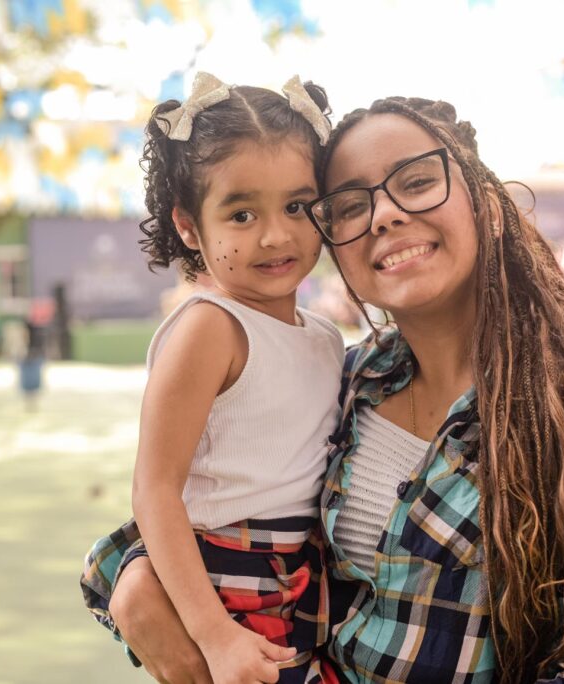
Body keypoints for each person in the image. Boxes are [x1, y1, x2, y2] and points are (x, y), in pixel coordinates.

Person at [82, 96, 564, 683]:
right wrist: (137, 581)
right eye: (350, 205)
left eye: (417, 182)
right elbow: (197, 512)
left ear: (487, 203)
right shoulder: (357, 377)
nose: (385, 215)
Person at [82, 72, 343, 684]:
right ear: (190, 227)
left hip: (302, 576)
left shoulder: (326, 337)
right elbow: (154, 489)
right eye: (241, 213)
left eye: (297, 206)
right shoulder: (210, 328)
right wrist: (214, 634)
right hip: (222, 579)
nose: (276, 234)